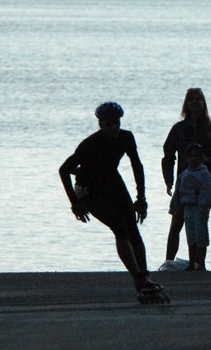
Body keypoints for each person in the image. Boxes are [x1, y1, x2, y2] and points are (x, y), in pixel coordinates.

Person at [58, 102, 167, 301]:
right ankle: (140, 279)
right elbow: (64, 169)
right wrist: (75, 203)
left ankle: (144, 278)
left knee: (133, 230)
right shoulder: (89, 143)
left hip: (112, 182)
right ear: (100, 124)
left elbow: (137, 166)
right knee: (119, 228)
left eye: (116, 123)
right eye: (108, 124)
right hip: (88, 189)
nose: (113, 128)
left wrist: (141, 198)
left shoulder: (126, 137)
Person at [161, 88, 211, 266]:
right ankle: (168, 262)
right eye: (192, 100)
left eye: (199, 99)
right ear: (186, 104)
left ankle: (198, 264)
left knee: (200, 223)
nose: (196, 103)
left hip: (205, 184)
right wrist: (168, 179)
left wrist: (208, 161)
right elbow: (168, 154)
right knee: (177, 222)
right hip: (184, 183)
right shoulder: (179, 128)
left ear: (204, 103)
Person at [178, 143, 211, 271]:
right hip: (188, 207)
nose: (193, 159)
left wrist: (203, 206)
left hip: (200, 208)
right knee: (191, 236)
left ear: (202, 157)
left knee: (201, 236)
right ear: (186, 158)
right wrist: (179, 204)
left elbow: (206, 191)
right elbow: (180, 190)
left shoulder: (204, 173)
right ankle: (192, 262)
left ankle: (201, 263)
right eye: (191, 156)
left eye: (196, 156)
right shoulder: (185, 174)